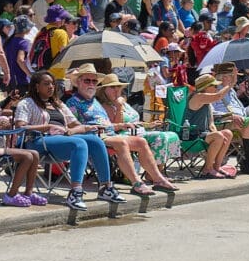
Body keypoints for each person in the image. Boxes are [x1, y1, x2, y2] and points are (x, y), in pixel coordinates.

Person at [14, 71, 126, 210]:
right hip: (38, 141)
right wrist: (47, 127)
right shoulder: (27, 103)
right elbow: (20, 126)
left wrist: (72, 131)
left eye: (53, 84)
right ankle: (75, 192)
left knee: (95, 141)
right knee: (78, 143)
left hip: (61, 140)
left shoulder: (57, 104)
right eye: (46, 84)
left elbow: (76, 125)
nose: (51, 87)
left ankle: (106, 187)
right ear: (36, 86)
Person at [65, 66, 177, 195]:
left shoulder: (94, 101)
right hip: (93, 137)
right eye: (87, 81)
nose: (91, 84)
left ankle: (158, 180)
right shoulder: (73, 103)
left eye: (94, 81)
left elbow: (108, 124)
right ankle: (137, 183)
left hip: (109, 134)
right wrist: (92, 128)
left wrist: (120, 125)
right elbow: (73, 127)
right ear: (78, 82)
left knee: (141, 142)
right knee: (121, 142)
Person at [96, 73, 181, 174]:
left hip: (138, 130)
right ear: (104, 90)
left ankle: (158, 170)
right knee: (161, 136)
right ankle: (153, 173)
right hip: (124, 135)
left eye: (118, 86)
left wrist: (148, 124)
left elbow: (134, 121)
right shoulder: (106, 106)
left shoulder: (124, 103)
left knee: (172, 135)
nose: (116, 89)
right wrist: (119, 108)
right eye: (112, 87)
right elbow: (115, 127)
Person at [210, 62, 249, 175]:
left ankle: (248, 160)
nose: (235, 79)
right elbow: (210, 111)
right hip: (223, 123)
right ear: (224, 76)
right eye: (233, 76)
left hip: (239, 123)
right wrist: (230, 116)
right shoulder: (214, 90)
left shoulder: (231, 91)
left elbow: (243, 113)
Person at [186, 73, 238, 178]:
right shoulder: (198, 96)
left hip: (203, 134)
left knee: (227, 133)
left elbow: (211, 123)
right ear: (205, 87)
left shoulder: (207, 102)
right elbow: (218, 96)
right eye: (214, 86)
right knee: (218, 136)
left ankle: (216, 166)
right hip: (192, 134)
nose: (216, 87)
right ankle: (207, 169)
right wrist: (230, 84)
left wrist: (216, 133)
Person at [4, 15, 34, 93]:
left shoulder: (9, 41)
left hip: (10, 80)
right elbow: (20, 60)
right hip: (21, 80)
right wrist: (30, 74)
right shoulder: (23, 42)